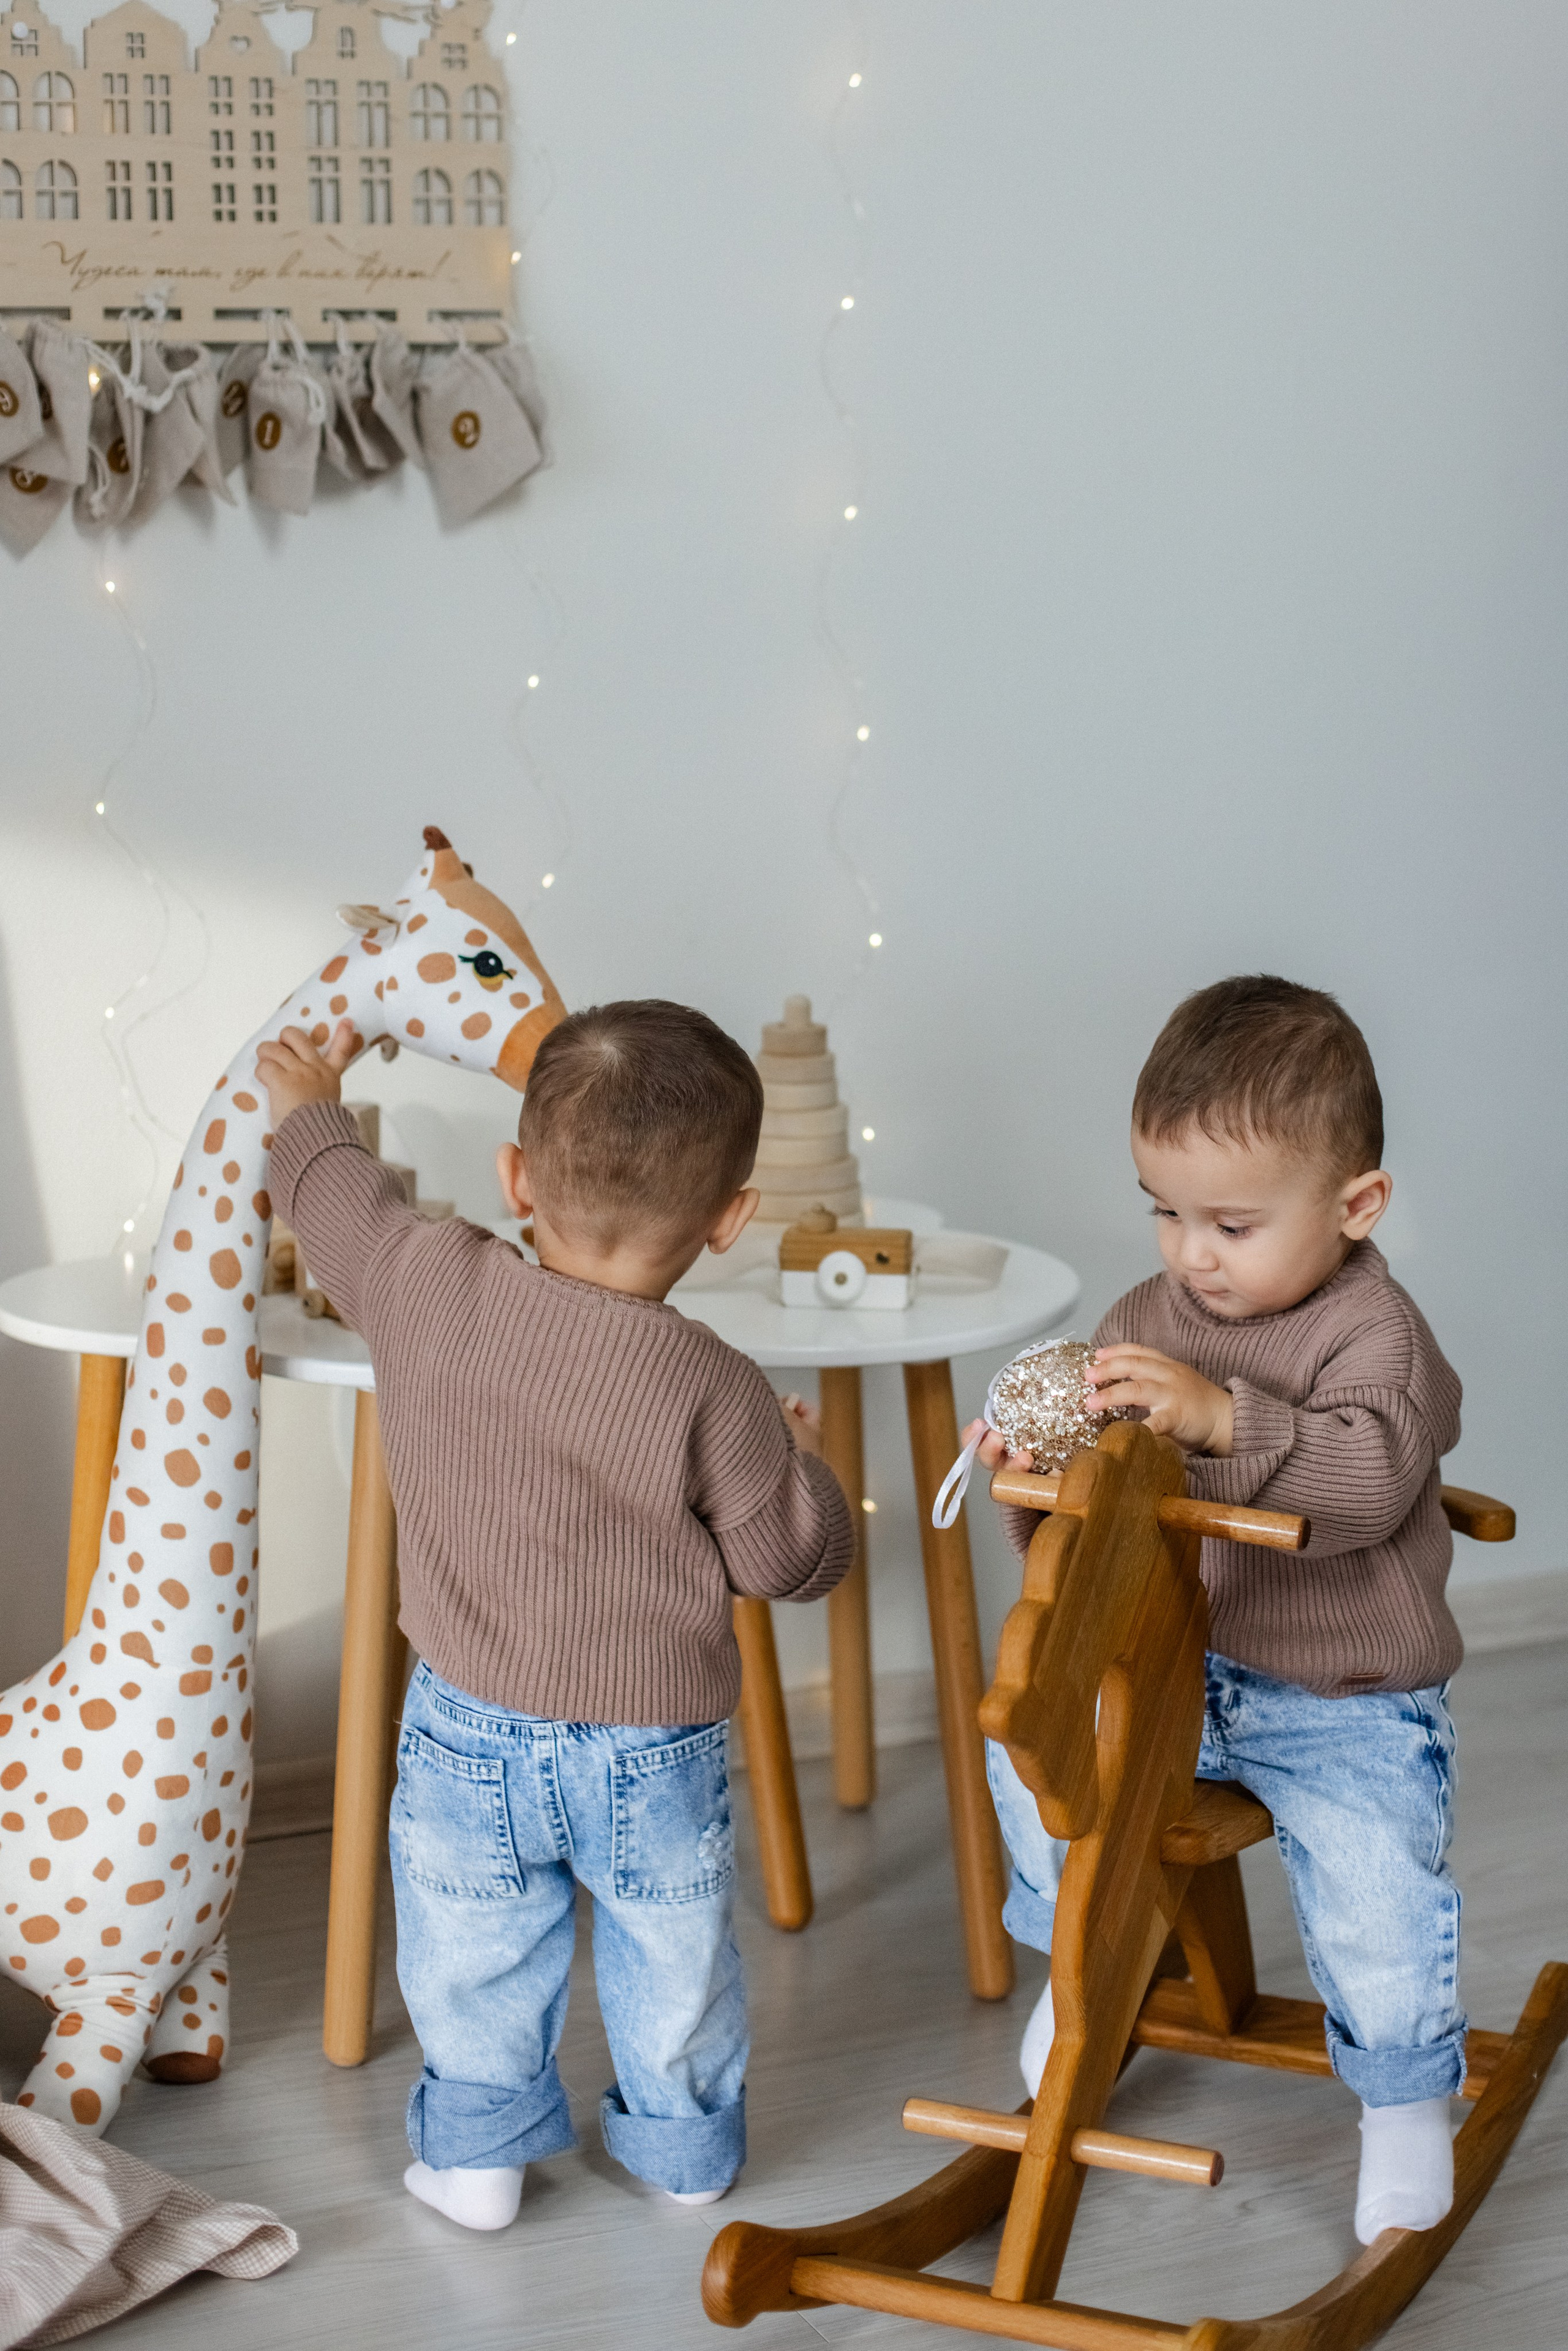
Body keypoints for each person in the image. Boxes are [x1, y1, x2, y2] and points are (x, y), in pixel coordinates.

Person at [257, 998, 854, 2232]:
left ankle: (476, 2157)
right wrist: (807, 1466)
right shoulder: (714, 1383)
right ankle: (685, 2150)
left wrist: (307, 1094)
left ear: (516, 1177)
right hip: (653, 1746)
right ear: (729, 1218)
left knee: (472, 1943)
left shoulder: (425, 1276)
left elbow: (332, 1196)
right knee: (673, 1948)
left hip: (466, 1721)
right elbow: (787, 1562)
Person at [968, 975, 1466, 2247]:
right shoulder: (1148, 1317)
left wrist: (1225, 1419)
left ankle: (1407, 2097)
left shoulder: (1377, 1340)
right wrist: (1039, 1460)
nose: (1191, 1252)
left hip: (1341, 1692)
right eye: (1165, 1211)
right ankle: (1082, 1965)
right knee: (1025, 1748)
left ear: (1353, 1206)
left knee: (1371, 1883)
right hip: (1178, 1668)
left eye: (1231, 1223)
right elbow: (1102, 1514)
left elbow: (1367, 1479)